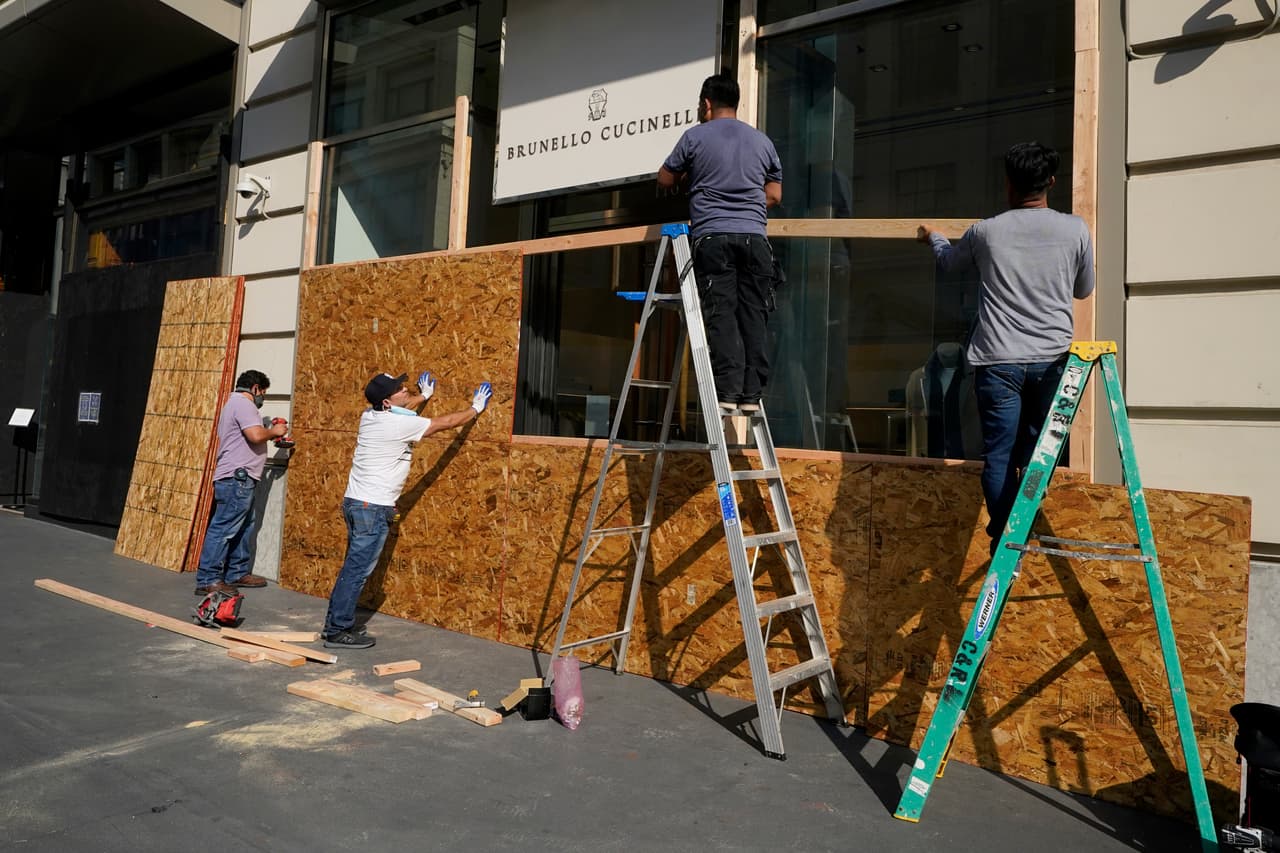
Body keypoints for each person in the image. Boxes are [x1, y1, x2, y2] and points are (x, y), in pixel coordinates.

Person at [917, 141, 1095, 553]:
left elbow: (949, 263)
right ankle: (1023, 524)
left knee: (999, 453)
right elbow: (1084, 290)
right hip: (1051, 360)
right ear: (1050, 181)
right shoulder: (1075, 229)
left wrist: (935, 238)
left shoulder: (986, 231)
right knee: (1038, 451)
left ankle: (1004, 532)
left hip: (998, 361)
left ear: (1009, 184)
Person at [321, 370, 493, 649]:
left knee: (352, 568)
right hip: (372, 509)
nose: (405, 391)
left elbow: (403, 409)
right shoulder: (395, 427)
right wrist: (475, 408)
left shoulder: (370, 416)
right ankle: (337, 630)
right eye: (400, 390)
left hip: (357, 503)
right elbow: (444, 423)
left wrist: (423, 396)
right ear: (387, 403)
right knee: (356, 572)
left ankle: (335, 624)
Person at [658, 72, 782, 411]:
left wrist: (691, 178)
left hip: (713, 235)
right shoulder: (762, 142)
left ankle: (727, 394)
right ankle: (752, 395)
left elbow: (665, 178)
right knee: (753, 313)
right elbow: (774, 194)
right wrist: (746, 203)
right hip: (755, 238)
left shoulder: (695, 137)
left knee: (722, 312)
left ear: (707, 104)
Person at [195, 370, 289, 595]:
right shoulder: (244, 404)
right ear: (255, 388)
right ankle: (208, 579)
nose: (262, 398)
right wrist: (274, 431)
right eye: (263, 393)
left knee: (245, 525)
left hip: (242, 477)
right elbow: (255, 436)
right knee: (224, 528)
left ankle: (236, 572)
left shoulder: (232, 405)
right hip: (237, 478)